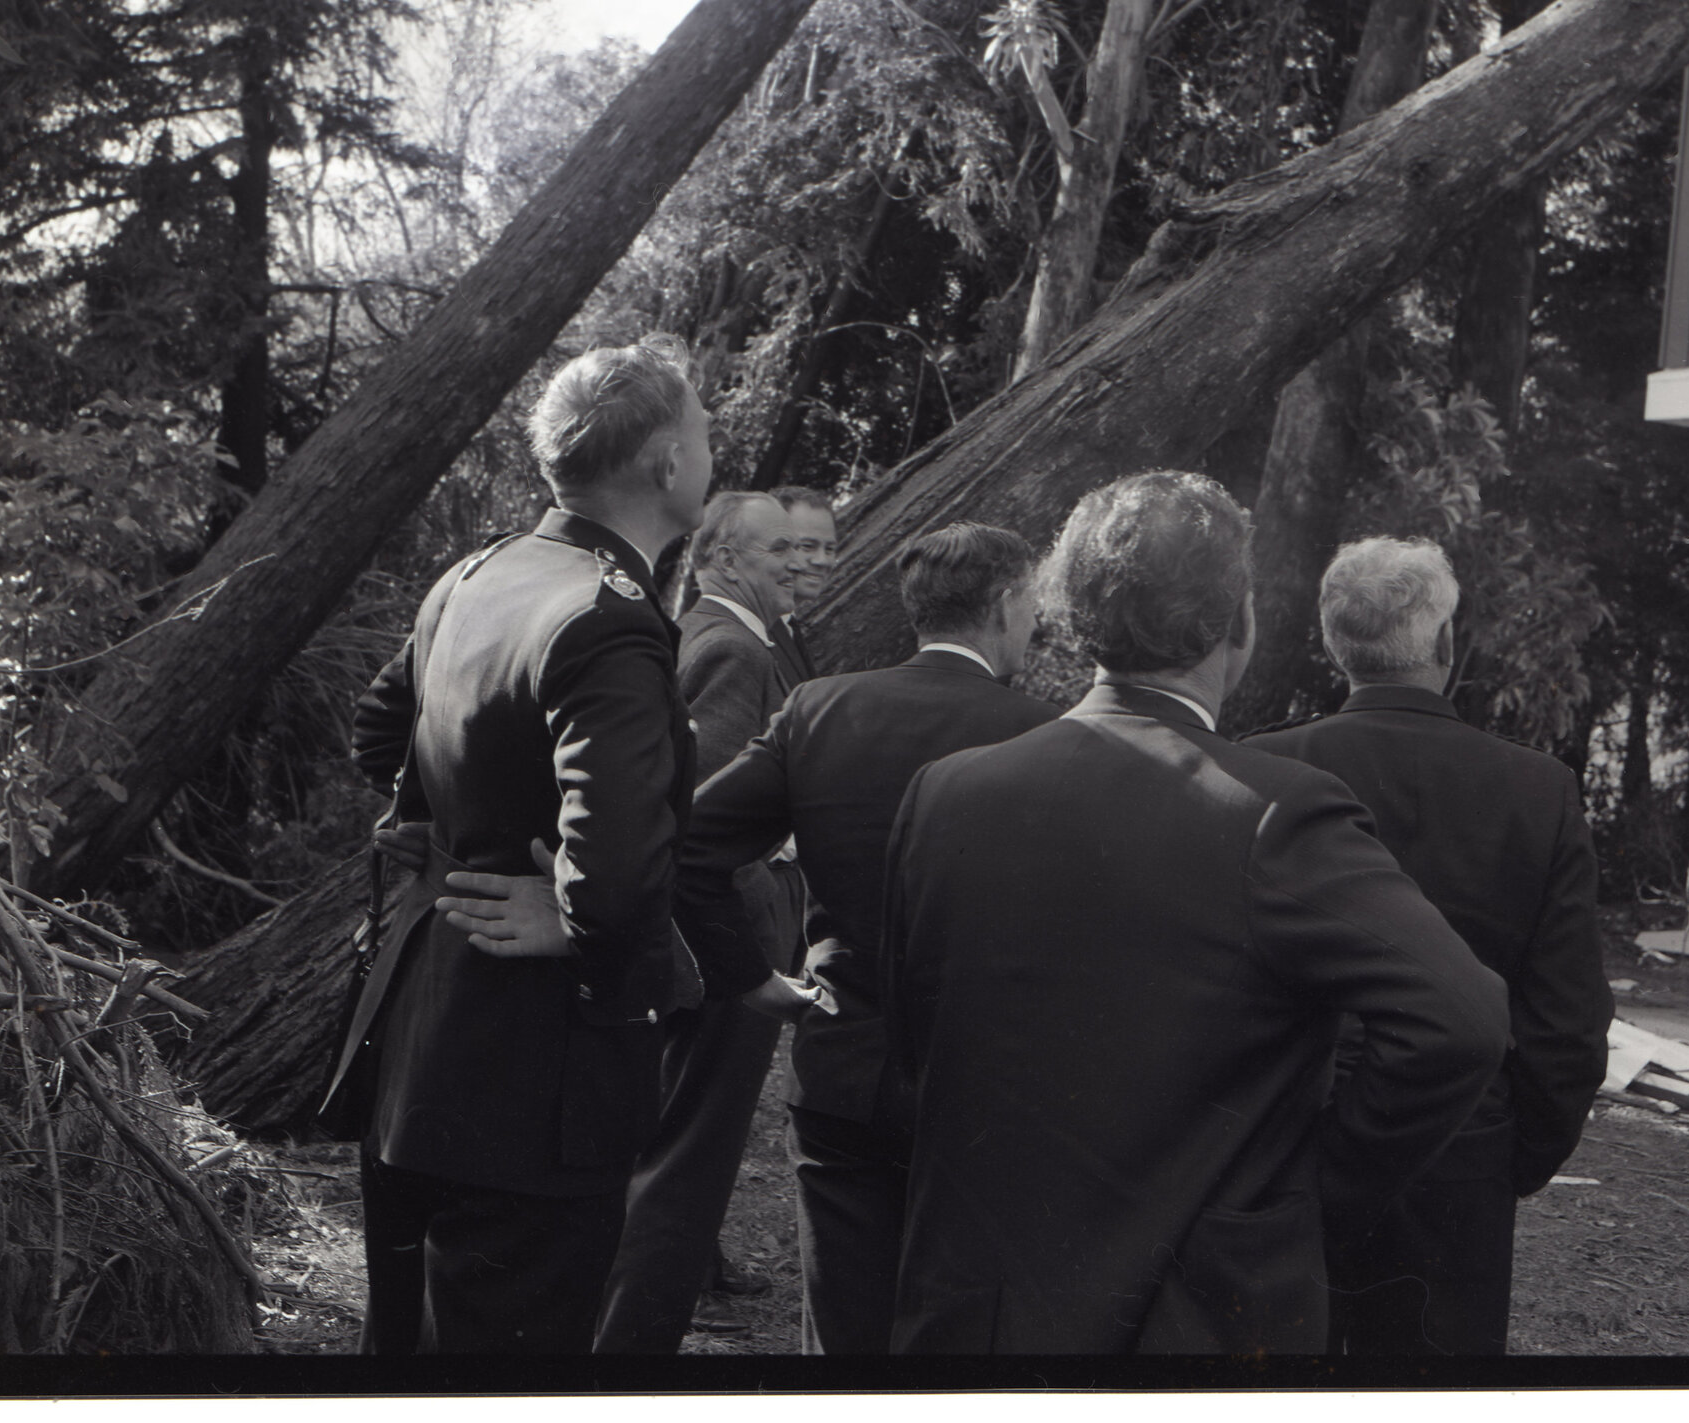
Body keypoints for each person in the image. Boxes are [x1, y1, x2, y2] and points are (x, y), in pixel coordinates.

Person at [880, 471, 1511, 1355]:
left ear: (1072, 611)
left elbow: (918, 1047)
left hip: (972, 1299)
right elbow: (1464, 1017)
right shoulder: (1273, 809)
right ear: (1240, 623)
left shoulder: (945, 792)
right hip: (1193, 1316)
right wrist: (1316, 1189)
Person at [323, 335, 711, 1354]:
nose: (711, 451)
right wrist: (580, 914)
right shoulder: (609, 621)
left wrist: (449, 838)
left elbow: (380, 733)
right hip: (531, 1073)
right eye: (705, 431)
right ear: (667, 462)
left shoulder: (477, 572)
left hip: (415, 1034)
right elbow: (620, 877)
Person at [672, 521, 1060, 1353]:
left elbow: (688, 849)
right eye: (1031, 601)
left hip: (842, 1063)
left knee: (841, 1336)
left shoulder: (821, 707)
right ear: (1000, 604)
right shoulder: (1049, 733)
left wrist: (748, 978)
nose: (1036, 621)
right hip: (987, 1084)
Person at [1243, 536, 1614, 1356]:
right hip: (1459, 1157)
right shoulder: (1535, 789)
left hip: (1287, 1152)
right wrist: (1512, 1159)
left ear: (1335, 644)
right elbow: (1569, 1023)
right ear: (1446, 645)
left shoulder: (1260, 767)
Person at [591, 492, 810, 1352]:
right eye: (774, 549)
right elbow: (707, 819)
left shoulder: (743, 636)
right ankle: (633, 1349)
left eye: (802, 547)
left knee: (673, 1131)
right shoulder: (726, 644)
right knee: (692, 1150)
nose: (795, 562)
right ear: (717, 556)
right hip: (730, 918)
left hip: (722, 913)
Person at [768, 484, 839, 683]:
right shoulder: (749, 632)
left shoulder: (786, 624)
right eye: (808, 546)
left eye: (830, 549)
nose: (822, 560)